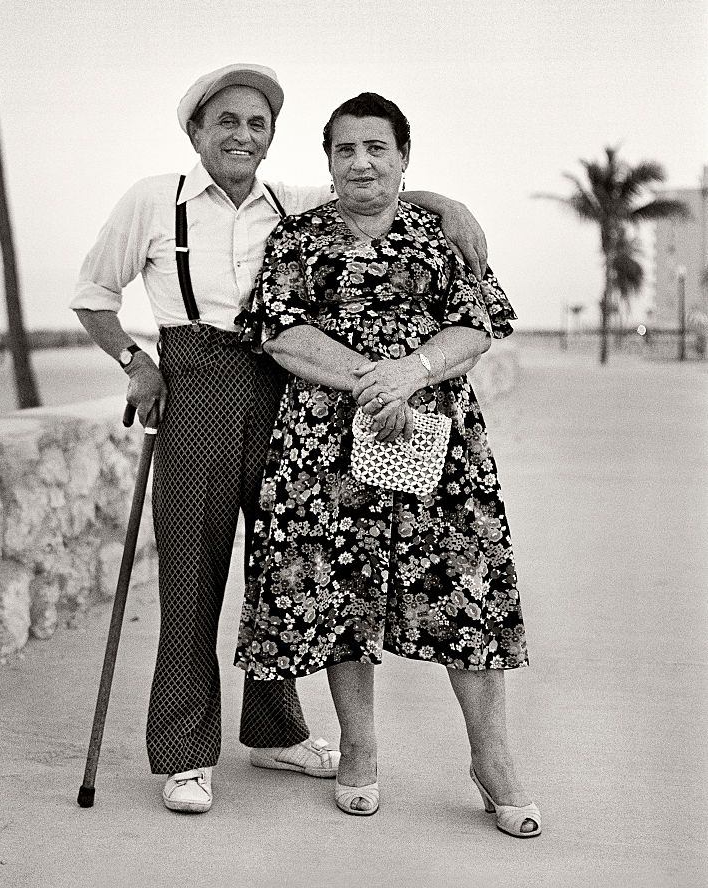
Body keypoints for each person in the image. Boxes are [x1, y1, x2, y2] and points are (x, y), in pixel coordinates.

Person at [71, 65, 489, 815]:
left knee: (284, 577)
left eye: (256, 124)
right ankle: (184, 753)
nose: (241, 135)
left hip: (284, 390)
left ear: (270, 137)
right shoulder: (151, 200)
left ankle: (274, 733)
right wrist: (135, 364)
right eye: (225, 121)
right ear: (195, 131)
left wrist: (444, 201)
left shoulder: (290, 202)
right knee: (192, 576)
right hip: (195, 379)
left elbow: (371, 190)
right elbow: (93, 294)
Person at [234, 92, 540, 837]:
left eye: (376, 147)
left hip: (436, 439)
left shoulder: (441, 237)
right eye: (345, 149)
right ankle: (360, 748)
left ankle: (491, 758)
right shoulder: (296, 239)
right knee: (341, 595)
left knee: (465, 592)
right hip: (325, 447)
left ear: (404, 158)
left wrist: (413, 372)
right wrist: (377, 382)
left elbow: (476, 326)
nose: (361, 161)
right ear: (328, 162)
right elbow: (280, 335)